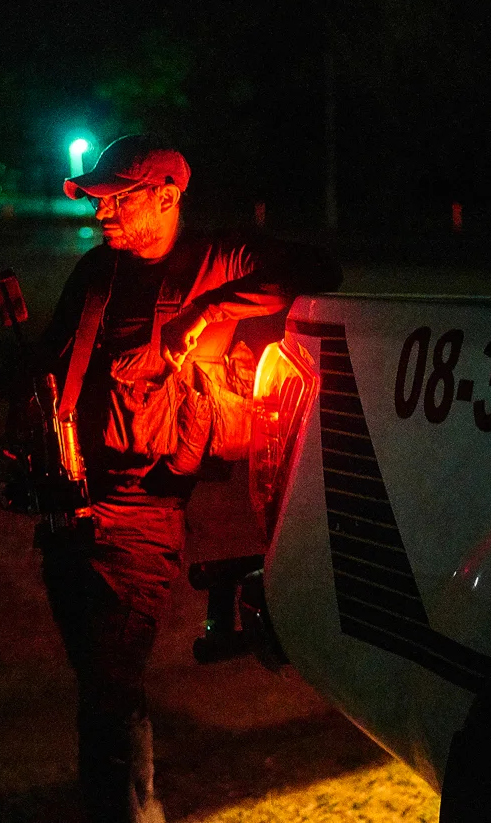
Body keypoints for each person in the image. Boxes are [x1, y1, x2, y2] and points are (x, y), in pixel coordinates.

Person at [18, 134, 340, 822]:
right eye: (97, 196)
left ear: (167, 197)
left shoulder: (218, 259)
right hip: (70, 509)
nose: (101, 210)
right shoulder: (94, 272)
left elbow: (317, 267)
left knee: (108, 686)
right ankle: (133, 806)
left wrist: (204, 313)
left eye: (116, 197)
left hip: (144, 513)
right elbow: (47, 367)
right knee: (103, 688)